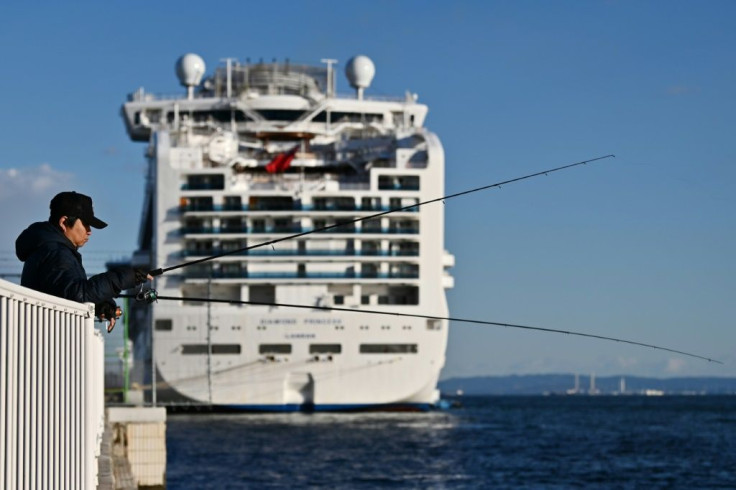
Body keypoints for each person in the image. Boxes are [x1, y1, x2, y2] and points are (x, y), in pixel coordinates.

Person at [15, 191, 150, 332]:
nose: (89, 231)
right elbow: (77, 294)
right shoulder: (55, 252)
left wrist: (99, 305)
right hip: (46, 344)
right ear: (64, 222)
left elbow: (64, 293)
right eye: (86, 224)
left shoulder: (50, 249)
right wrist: (125, 277)